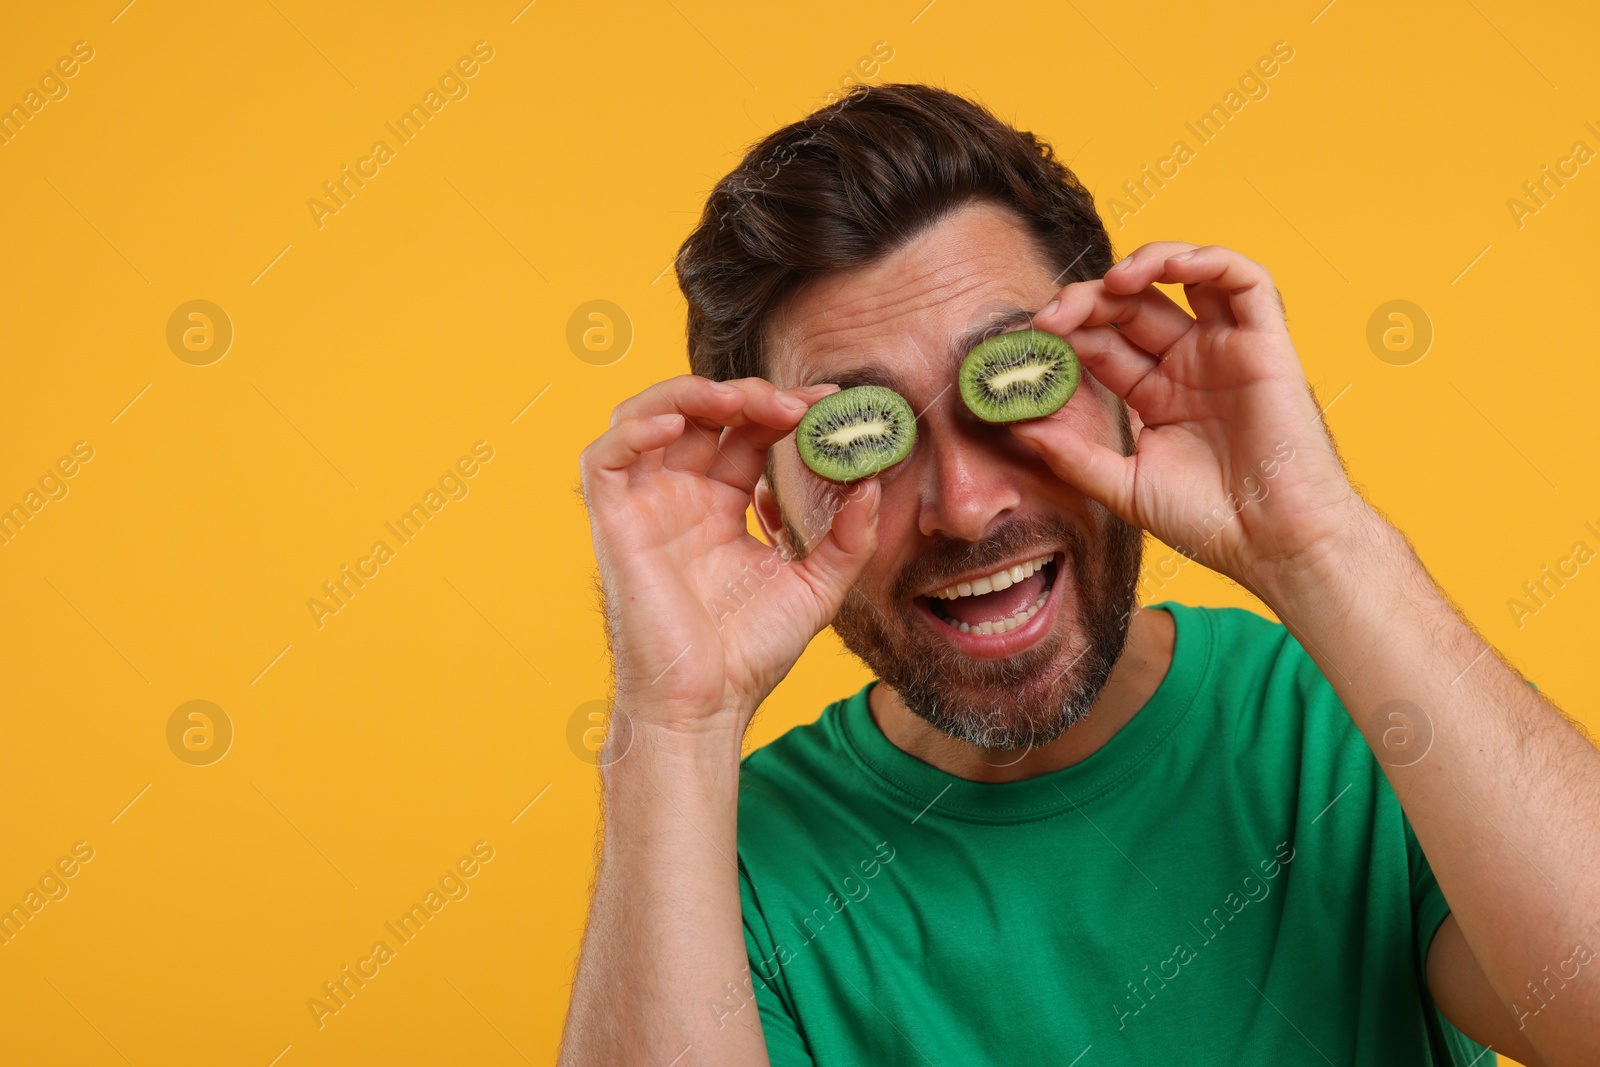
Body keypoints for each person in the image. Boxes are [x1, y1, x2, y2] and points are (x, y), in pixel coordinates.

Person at [560, 83, 1599, 1066]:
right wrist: (669, 724)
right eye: (863, 432)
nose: (965, 503)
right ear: (772, 512)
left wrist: (1316, 539)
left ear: (1115, 388)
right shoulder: (723, 871)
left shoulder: (1359, 716)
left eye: (1006, 383)